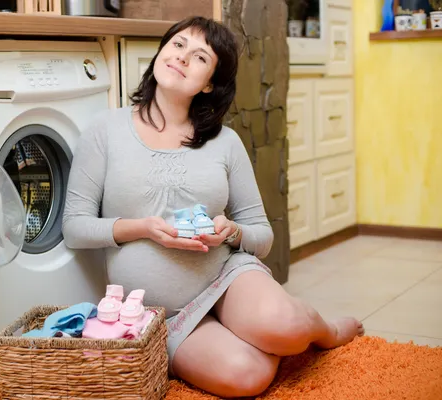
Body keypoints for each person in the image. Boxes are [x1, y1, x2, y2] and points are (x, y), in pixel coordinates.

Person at [62, 16, 364, 398]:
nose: (182, 57)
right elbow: (74, 226)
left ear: (208, 84)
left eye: (200, 56)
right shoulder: (104, 130)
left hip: (227, 280)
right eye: (177, 45)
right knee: (247, 378)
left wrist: (232, 231)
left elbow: (262, 234)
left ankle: (325, 330)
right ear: (161, 53)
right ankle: (248, 335)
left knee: (288, 327)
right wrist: (142, 228)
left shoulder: (226, 142)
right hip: (164, 315)